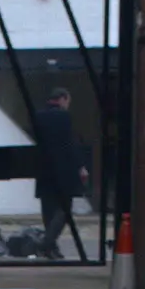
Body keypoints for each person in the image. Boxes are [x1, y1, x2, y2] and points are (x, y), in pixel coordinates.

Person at [33, 88, 89, 261]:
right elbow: (70, 143)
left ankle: (51, 249)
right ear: (63, 99)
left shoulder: (38, 115)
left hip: (43, 169)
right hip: (63, 170)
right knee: (65, 210)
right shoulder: (64, 117)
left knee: (48, 212)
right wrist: (81, 165)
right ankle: (45, 244)